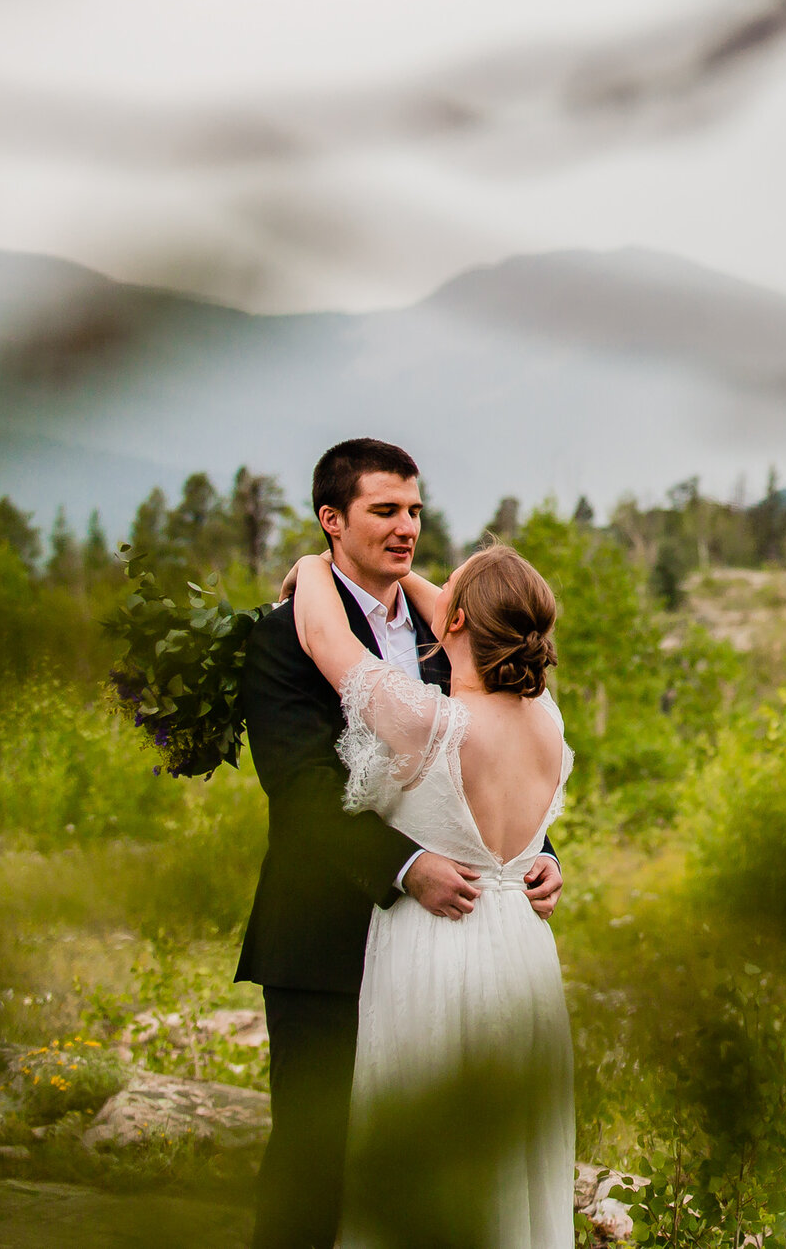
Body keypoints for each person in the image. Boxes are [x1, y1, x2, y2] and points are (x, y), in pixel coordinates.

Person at [237, 439, 561, 1249]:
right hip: (327, 938)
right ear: (332, 520)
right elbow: (301, 791)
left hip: (444, 953)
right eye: (386, 510)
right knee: (316, 1162)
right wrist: (407, 866)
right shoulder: (283, 636)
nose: (407, 527)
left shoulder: (446, 631)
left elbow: (489, 761)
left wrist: (539, 855)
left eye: (415, 509)